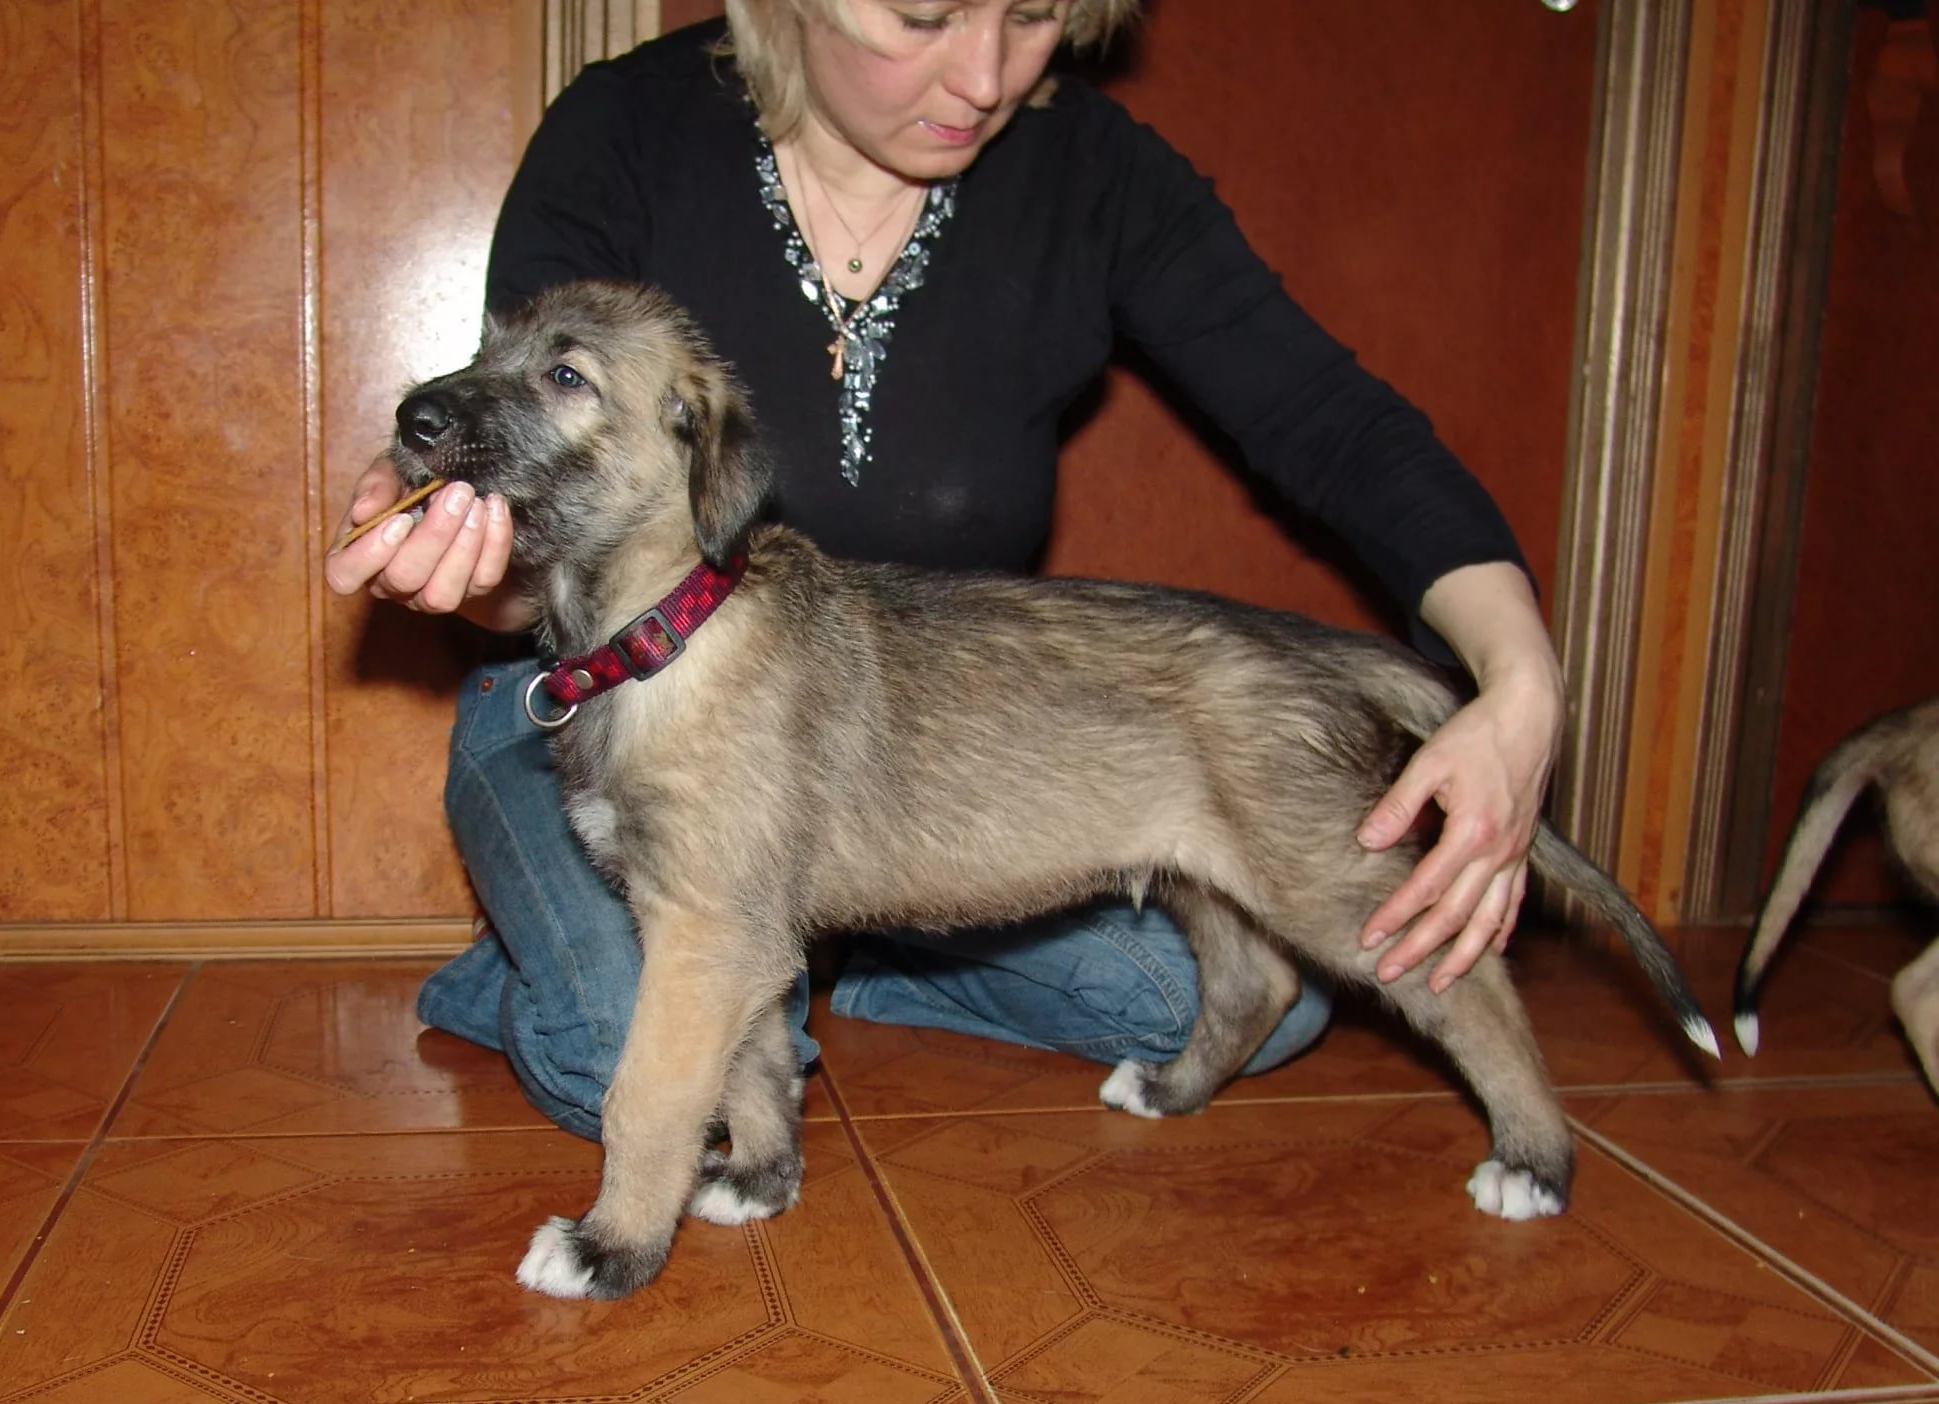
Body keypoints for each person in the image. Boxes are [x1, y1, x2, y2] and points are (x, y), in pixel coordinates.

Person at [322, 0, 1565, 1141]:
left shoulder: (1089, 172)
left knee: (1253, 1000)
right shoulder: (626, 129)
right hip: (601, 717)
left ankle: (842, 935)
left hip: (926, 764)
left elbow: (1330, 423)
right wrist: (453, 555)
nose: (981, 75)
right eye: (923, 14)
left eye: (1033, 14)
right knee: (638, 1063)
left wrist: (1516, 678)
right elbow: (507, 455)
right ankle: (656, 946)